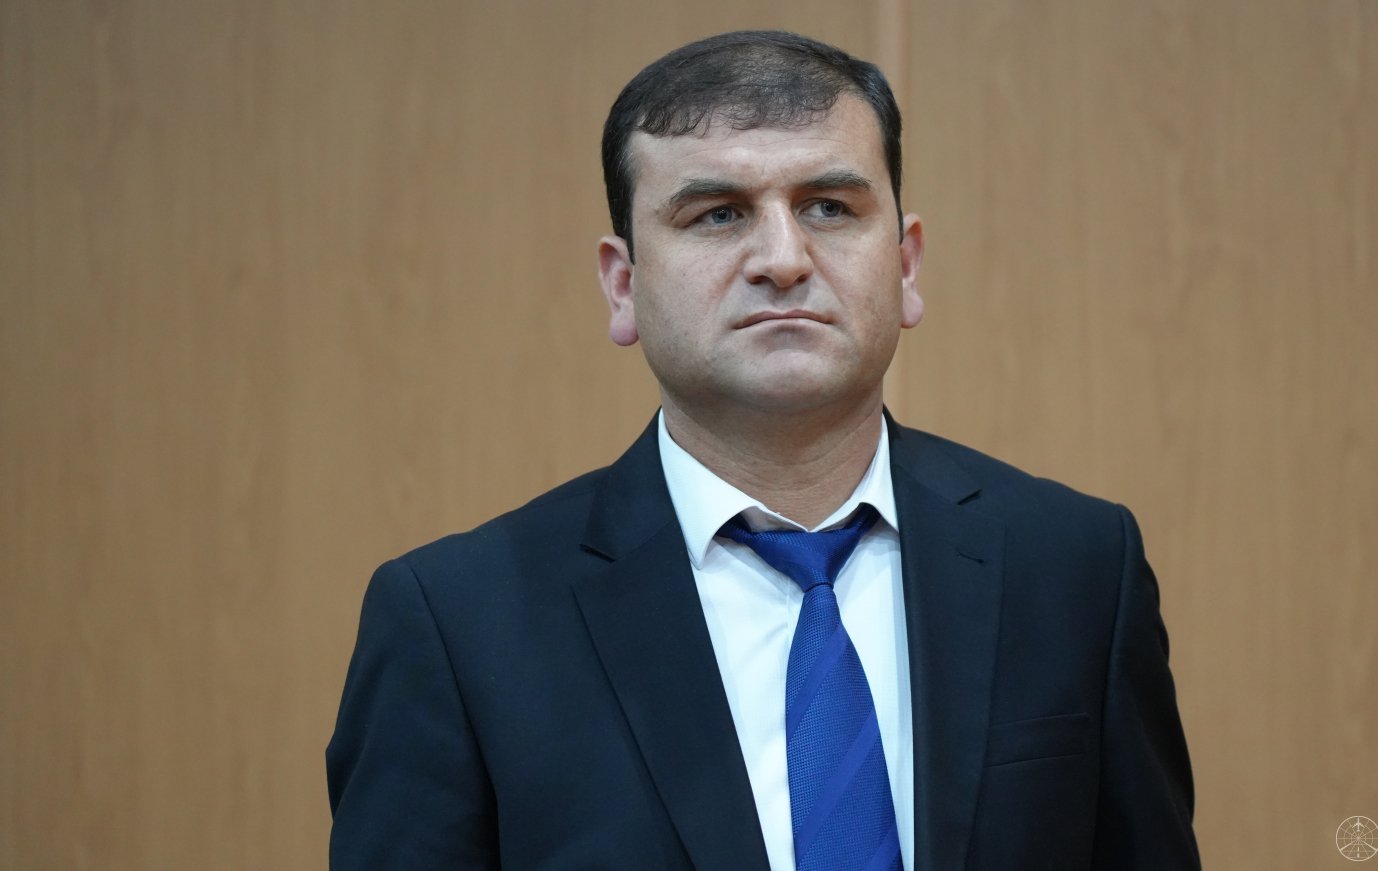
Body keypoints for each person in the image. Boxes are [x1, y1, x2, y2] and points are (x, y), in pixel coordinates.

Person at [326, 29, 1200, 871]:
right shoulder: (459, 624)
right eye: (717, 214)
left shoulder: (1076, 569)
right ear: (623, 285)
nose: (783, 259)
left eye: (830, 207)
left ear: (905, 266)